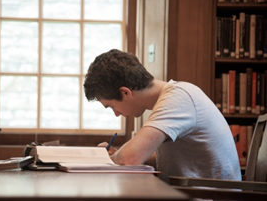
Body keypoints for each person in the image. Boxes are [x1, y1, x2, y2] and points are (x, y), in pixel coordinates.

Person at [83, 49, 241, 183]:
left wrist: (113, 158)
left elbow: (128, 160)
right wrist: (117, 153)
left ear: (125, 92)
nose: (116, 114)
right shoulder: (174, 96)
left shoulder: (179, 98)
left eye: (111, 106)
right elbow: (164, 158)